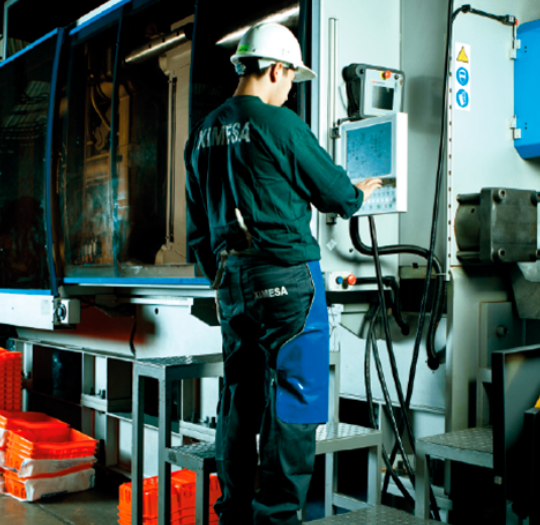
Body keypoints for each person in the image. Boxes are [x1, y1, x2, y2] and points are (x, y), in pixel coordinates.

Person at [185, 22, 382, 525]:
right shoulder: (281, 124)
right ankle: (275, 518)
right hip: (289, 280)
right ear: (275, 69)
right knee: (295, 397)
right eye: (292, 77)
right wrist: (360, 192)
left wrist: (223, 279)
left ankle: (233, 512)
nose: (291, 89)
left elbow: (197, 230)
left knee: (239, 397)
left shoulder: (201, 134)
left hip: (232, 283)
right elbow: (336, 195)